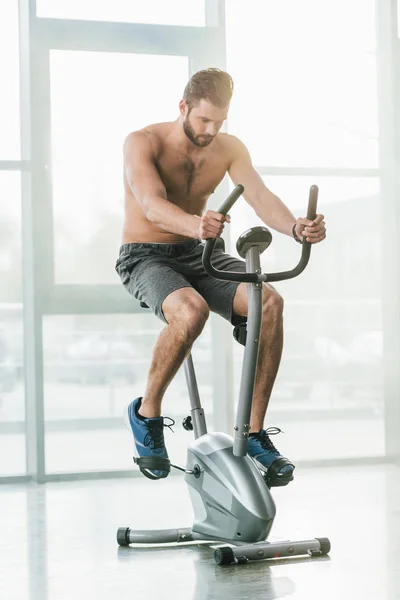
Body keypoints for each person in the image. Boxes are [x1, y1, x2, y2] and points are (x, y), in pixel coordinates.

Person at [115, 68, 326, 479]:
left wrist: (296, 227)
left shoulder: (229, 148)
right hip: (145, 255)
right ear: (184, 107)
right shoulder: (143, 142)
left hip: (200, 252)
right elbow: (151, 203)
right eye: (203, 120)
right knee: (190, 311)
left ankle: (254, 431)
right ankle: (146, 414)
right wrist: (196, 223)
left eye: (219, 121)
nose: (210, 130)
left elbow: (261, 196)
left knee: (268, 302)